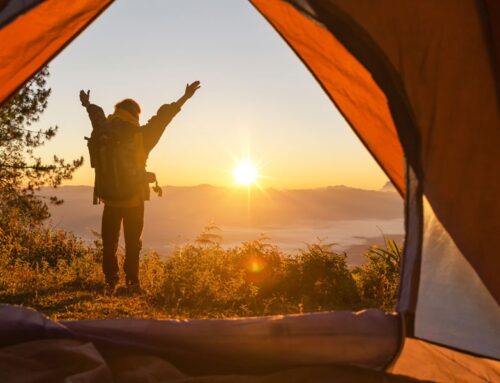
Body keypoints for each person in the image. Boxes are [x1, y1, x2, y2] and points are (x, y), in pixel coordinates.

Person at [79, 81, 201, 290]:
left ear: (117, 111)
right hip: (133, 198)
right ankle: (132, 283)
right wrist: (185, 97)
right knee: (133, 243)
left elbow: (96, 114)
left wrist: (87, 103)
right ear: (135, 114)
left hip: (108, 196)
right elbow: (164, 118)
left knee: (109, 243)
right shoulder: (142, 135)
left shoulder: (103, 129)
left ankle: (110, 281)